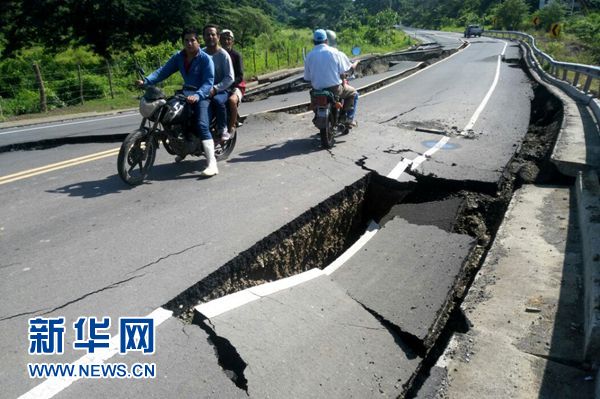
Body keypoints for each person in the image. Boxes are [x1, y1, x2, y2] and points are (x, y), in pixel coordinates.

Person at [136, 28, 218, 177]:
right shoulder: (179, 57)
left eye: (192, 40)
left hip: (202, 96)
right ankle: (182, 146)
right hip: (185, 94)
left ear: (198, 42)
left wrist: (198, 95)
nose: (189, 43)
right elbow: (163, 71)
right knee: (169, 114)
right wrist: (146, 81)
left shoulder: (206, 59)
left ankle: (212, 163)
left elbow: (208, 82)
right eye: (186, 40)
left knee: (201, 124)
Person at [303, 29, 359, 128]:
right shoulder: (334, 52)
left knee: (314, 102)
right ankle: (347, 118)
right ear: (326, 41)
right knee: (353, 93)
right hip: (335, 90)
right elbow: (343, 70)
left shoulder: (309, 56)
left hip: (317, 91)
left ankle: (318, 115)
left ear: (314, 41)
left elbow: (307, 78)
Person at [202, 24, 235, 141]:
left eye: (213, 34)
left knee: (217, 101)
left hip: (221, 90)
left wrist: (215, 88)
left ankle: (223, 128)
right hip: (203, 89)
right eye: (207, 35)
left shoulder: (223, 55)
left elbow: (230, 77)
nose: (210, 37)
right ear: (203, 37)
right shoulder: (201, 54)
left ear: (218, 37)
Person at [220, 29, 246, 139]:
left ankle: (231, 127)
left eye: (228, 39)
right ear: (219, 40)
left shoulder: (236, 55)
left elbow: (240, 76)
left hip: (236, 86)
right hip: (221, 86)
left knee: (231, 100)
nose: (226, 41)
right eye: (224, 39)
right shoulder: (217, 54)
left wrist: (229, 84)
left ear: (232, 41)